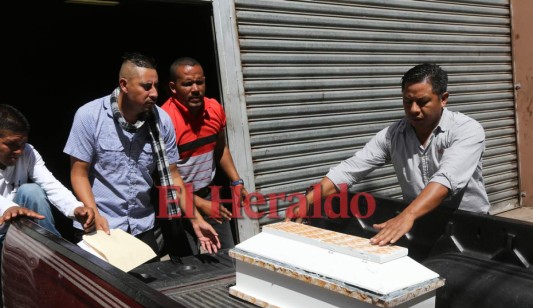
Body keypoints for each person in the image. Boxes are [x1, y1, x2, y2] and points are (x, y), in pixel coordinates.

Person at [287, 63, 490, 246]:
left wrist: (406, 215)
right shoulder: (393, 135)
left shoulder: (467, 130)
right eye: (407, 101)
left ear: (443, 99)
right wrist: (308, 202)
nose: (413, 109)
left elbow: (445, 180)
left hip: (470, 229)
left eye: (422, 102)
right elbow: (350, 170)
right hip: (419, 224)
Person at [63, 52, 220, 258]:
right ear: (124, 85)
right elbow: (79, 174)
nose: (154, 93)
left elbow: (173, 176)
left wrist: (196, 219)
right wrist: (95, 213)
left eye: (155, 85)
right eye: (147, 87)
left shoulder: (161, 121)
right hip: (99, 226)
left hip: (142, 228)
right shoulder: (89, 116)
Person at [0, 104, 95, 308]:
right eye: (11, 145)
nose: (18, 152)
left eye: (22, 145)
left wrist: (76, 209)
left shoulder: (27, 153)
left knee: (33, 191)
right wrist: (7, 208)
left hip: (21, 233)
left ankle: (54, 266)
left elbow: (50, 184)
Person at [161, 57, 248, 254]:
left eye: (199, 82)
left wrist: (236, 181)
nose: (195, 89)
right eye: (188, 84)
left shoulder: (214, 109)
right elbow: (164, 177)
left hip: (208, 195)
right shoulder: (164, 120)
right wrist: (201, 205)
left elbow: (220, 149)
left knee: (227, 256)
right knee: (189, 266)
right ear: (173, 87)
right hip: (176, 203)